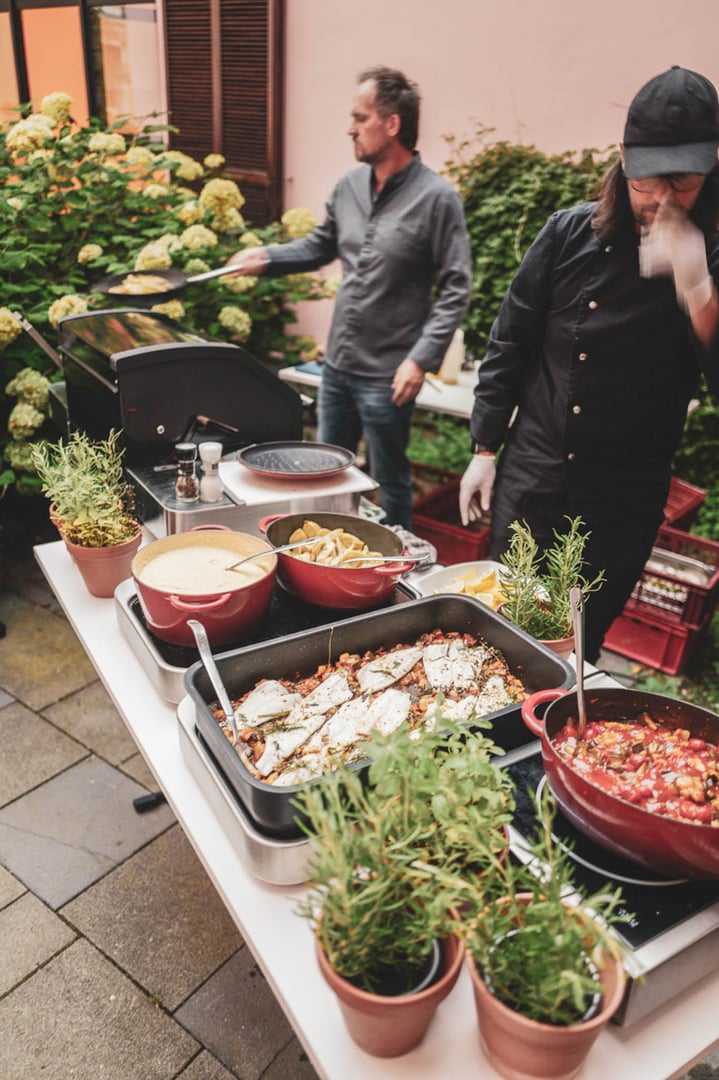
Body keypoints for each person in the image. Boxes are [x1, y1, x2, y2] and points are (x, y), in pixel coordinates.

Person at [459, 66, 719, 662]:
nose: (662, 201)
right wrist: (483, 449)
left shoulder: (713, 254)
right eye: (648, 182)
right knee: (497, 638)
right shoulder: (570, 234)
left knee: (576, 650)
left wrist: (696, 283)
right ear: (624, 157)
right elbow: (511, 343)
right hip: (534, 479)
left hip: (621, 497)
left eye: (682, 185)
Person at [227, 65, 472, 529]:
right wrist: (267, 257)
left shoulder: (438, 199)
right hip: (337, 367)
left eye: (360, 118)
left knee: (390, 480)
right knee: (321, 474)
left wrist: (421, 359)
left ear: (392, 124)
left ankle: (392, 569)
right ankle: (318, 560)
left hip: (388, 373)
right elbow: (320, 245)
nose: (350, 128)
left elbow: (457, 286)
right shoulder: (348, 188)